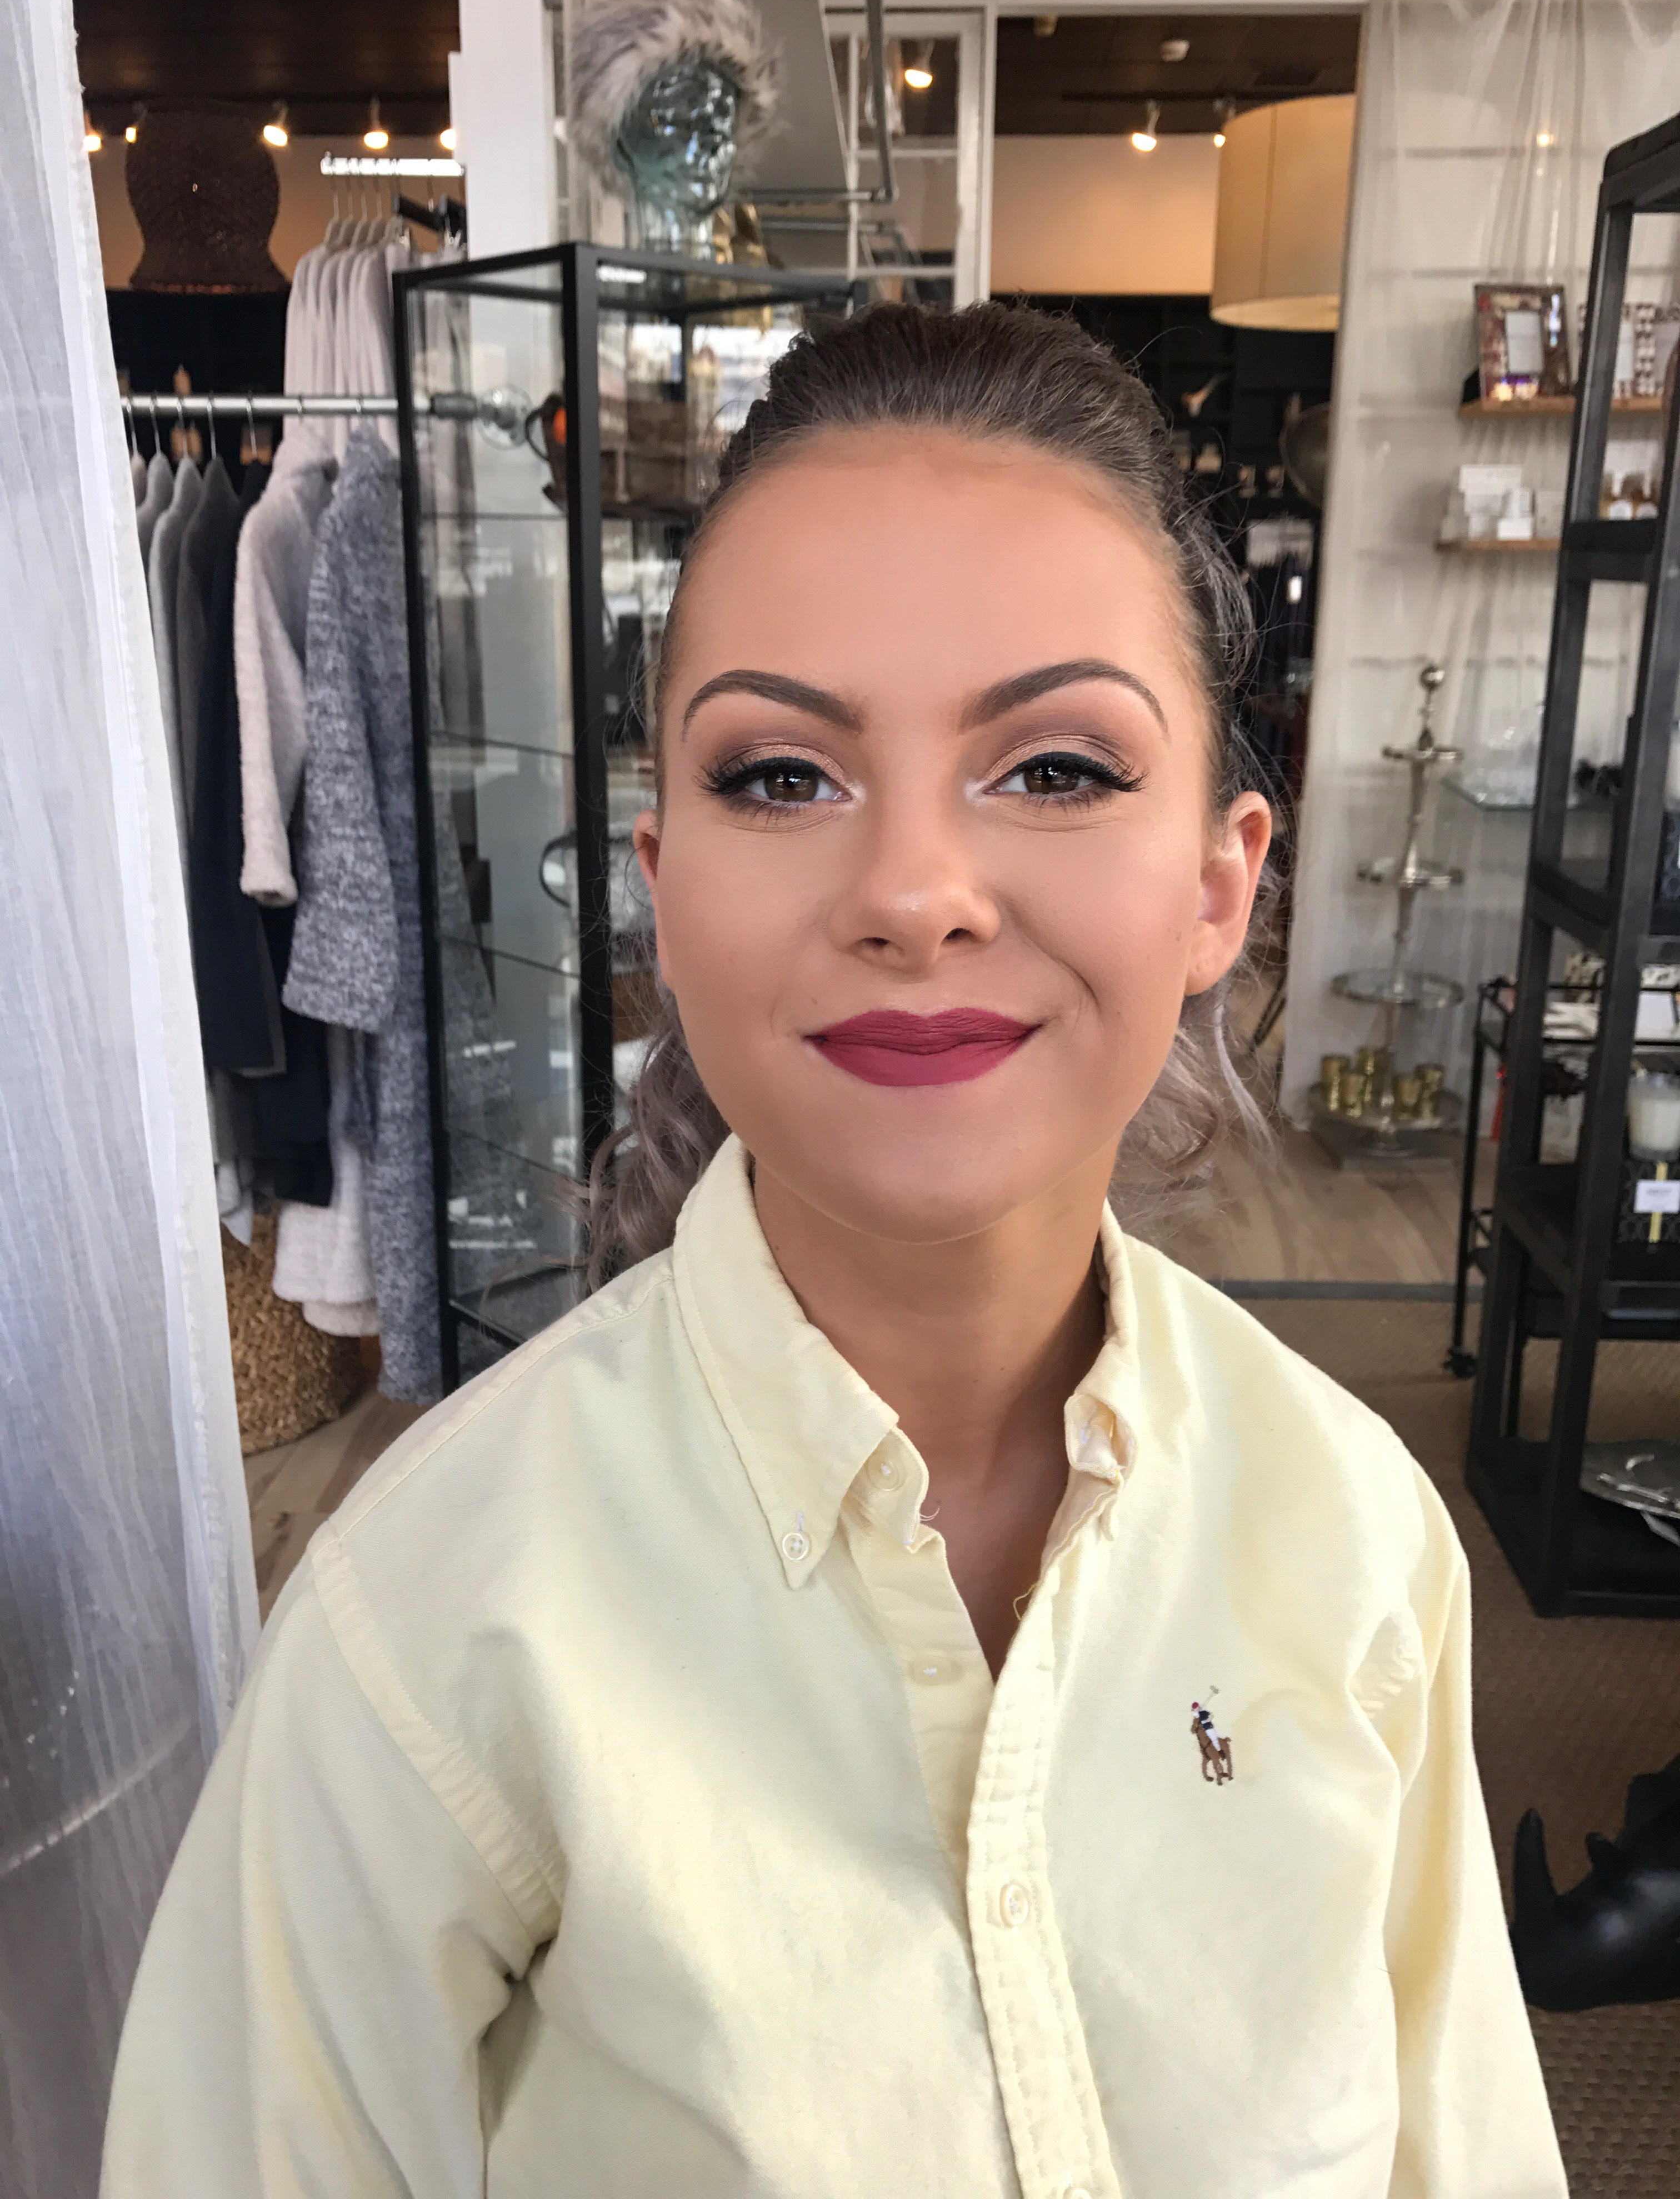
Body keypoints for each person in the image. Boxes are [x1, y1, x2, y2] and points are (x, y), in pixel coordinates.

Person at [102, 304, 1565, 2198]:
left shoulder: (1355, 1534)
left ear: (1222, 883)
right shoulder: (432, 1625)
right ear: (664, 894)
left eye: (1058, 767)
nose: (913, 896)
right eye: (782, 777)